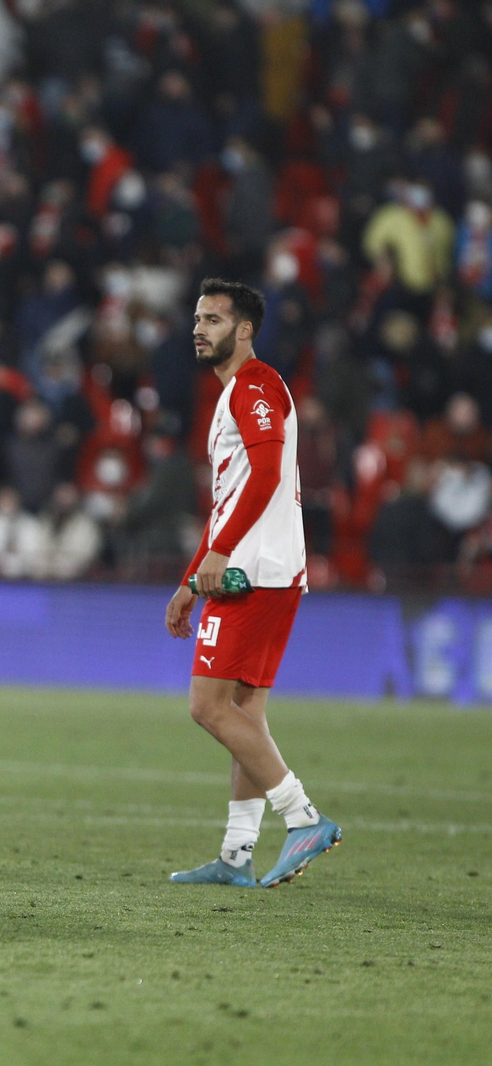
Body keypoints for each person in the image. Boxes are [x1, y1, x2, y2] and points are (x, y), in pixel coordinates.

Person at [165, 279, 342, 890]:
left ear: (244, 330)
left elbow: (266, 474)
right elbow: (230, 498)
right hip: (258, 570)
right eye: (197, 318)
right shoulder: (235, 394)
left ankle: (304, 817)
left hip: (255, 573)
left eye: (213, 319)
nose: (199, 329)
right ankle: (237, 853)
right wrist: (192, 578)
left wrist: (216, 555)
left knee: (207, 707)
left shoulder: (257, 385)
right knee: (245, 711)